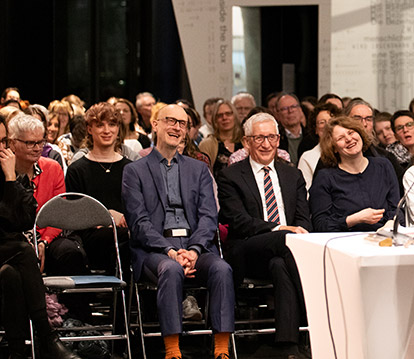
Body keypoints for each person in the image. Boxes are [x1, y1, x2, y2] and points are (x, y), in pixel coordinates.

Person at [122, 104, 234, 359]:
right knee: (171, 270)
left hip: (195, 245)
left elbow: (208, 217)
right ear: (156, 124)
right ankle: (173, 351)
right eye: (170, 121)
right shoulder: (134, 171)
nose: (176, 127)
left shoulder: (198, 170)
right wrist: (170, 250)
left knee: (222, 269)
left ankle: (222, 350)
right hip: (155, 249)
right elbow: (138, 222)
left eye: (182, 124)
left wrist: (194, 250)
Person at [217, 112, 311, 358]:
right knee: (285, 242)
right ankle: (317, 314)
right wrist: (279, 229)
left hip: (287, 252)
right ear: (246, 142)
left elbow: (304, 219)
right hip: (248, 250)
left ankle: (288, 345)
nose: (266, 144)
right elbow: (238, 221)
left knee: (280, 264)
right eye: (259, 138)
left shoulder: (293, 175)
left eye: (271, 137)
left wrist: (293, 232)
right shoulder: (231, 176)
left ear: (279, 139)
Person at [0, 116, 81, 359]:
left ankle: (17, 351)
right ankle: (47, 338)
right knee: (24, 251)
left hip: (8, 252)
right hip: (13, 248)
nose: (2, 149)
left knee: (10, 275)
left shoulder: (9, 173)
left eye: (3, 141)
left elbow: (25, 219)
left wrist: (11, 179)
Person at [51, 103, 131, 281]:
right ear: (89, 129)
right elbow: (72, 214)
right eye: (100, 125)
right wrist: (105, 217)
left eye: (112, 124)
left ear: (118, 129)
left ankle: (122, 304)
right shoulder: (77, 169)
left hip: (125, 235)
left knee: (130, 242)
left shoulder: (130, 168)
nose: (107, 130)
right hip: (89, 238)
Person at [309, 116, 400, 232]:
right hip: (344, 242)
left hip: (384, 240)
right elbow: (320, 224)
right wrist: (354, 219)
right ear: (334, 148)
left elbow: (397, 208)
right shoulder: (325, 178)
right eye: (340, 138)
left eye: (351, 132)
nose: (348, 139)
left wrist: (390, 224)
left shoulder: (383, 165)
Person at [7, 114, 66, 270]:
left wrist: (44, 241)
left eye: (41, 142)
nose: (38, 148)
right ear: (12, 144)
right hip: (15, 239)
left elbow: (59, 215)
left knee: (69, 252)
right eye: (30, 143)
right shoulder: (5, 173)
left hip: (48, 236)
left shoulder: (53, 168)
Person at [297, 102, 339, 191]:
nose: (327, 125)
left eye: (331, 121)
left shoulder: (347, 151)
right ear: (315, 129)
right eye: (322, 122)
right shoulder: (307, 157)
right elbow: (306, 193)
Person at [198, 99, 244, 177]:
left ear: (235, 116)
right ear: (215, 120)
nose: (224, 118)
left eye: (228, 114)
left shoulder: (245, 141)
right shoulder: (207, 144)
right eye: (220, 115)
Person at [275, 93, 306, 166]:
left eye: (293, 106)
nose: (290, 111)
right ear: (278, 114)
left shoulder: (312, 137)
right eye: (284, 109)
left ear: (300, 110)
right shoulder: (275, 140)